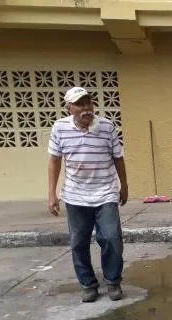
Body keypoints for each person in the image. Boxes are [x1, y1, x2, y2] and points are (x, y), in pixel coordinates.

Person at [47, 86, 129, 303]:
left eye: (88, 103)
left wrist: (125, 186)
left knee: (111, 238)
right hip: (75, 195)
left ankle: (113, 281)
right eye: (79, 104)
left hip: (105, 192)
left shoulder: (106, 127)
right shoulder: (60, 128)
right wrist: (51, 194)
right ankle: (88, 285)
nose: (85, 108)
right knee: (78, 243)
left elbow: (118, 158)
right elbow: (54, 160)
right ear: (69, 108)